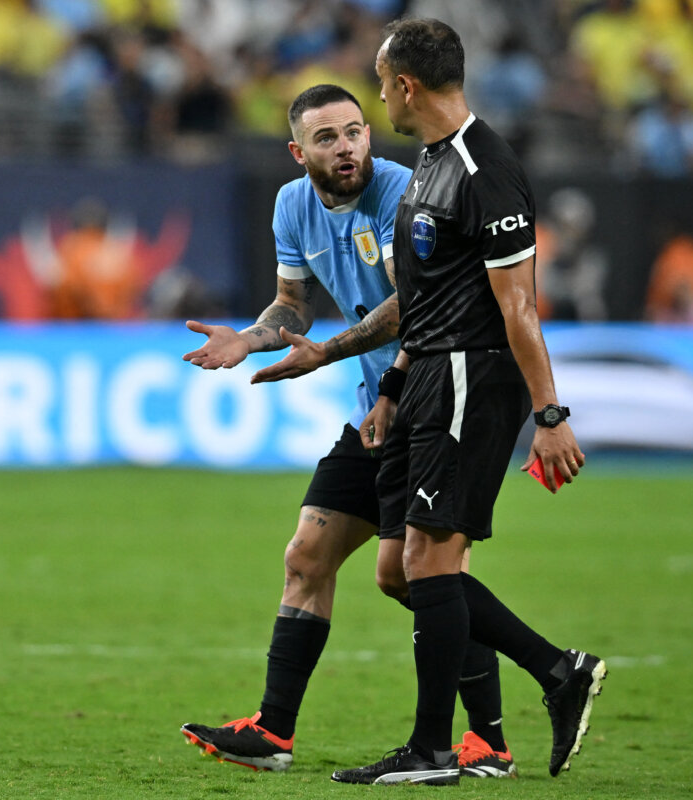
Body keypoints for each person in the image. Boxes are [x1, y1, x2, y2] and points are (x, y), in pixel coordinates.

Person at [177, 84, 517, 779]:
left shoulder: (404, 193)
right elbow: (293, 304)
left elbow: (412, 306)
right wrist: (253, 338)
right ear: (299, 151)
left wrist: (342, 363)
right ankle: (273, 732)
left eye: (356, 131)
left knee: (422, 576)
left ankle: (489, 737)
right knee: (307, 557)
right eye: (327, 138)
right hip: (375, 406)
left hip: (424, 399)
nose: (347, 147)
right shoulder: (291, 205)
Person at [330, 19, 606, 785]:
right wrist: (391, 384)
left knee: (428, 560)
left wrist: (550, 416)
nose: (379, 92)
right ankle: (557, 672)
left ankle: (433, 749)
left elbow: (519, 308)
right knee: (401, 570)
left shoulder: (485, 169)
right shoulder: (428, 166)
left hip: (471, 380)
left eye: (382, 80)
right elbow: (429, 298)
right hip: (428, 377)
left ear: (407, 85)